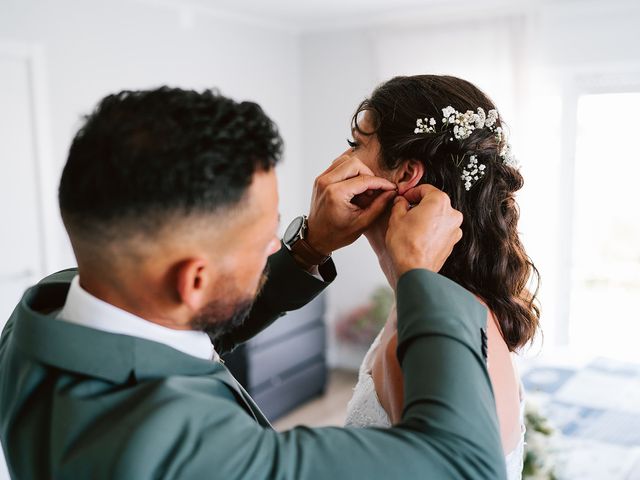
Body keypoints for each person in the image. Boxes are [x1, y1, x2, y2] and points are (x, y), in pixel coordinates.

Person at [0, 87, 507, 479]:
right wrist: (416, 271)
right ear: (193, 280)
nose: (275, 246)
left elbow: (174, 331)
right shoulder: (183, 449)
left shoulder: (45, 311)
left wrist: (309, 248)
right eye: (266, 236)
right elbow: (463, 464)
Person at [343, 75, 540, 480]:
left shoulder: (421, 334)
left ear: (405, 176)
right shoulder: (445, 304)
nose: (341, 166)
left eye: (357, 148)